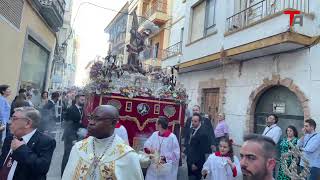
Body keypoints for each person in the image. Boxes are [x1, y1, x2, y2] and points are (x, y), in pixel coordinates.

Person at [62, 105, 144, 179]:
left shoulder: (127, 156)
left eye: (97, 119)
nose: (91, 122)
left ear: (113, 123)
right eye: (91, 117)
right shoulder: (78, 148)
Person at [0, 107, 56, 179]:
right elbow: (3, 162)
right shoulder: (9, 138)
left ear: (28, 123)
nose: (9, 122)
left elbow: (42, 168)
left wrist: (21, 149)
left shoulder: (45, 141)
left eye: (14, 119)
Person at [61, 94, 86, 176]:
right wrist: (73, 139)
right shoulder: (71, 109)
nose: (83, 101)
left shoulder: (82, 109)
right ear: (77, 99)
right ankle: (63, 175)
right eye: (82, 100)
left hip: (77, 135)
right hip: (70, 137)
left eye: (84, 100)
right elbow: (69, 125)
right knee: (67, 156)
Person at [186, 113, 209, 180]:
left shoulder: (203, 133)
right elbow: (189, 144)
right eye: (192, 121)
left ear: (200, 122)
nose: (193, 123)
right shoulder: (191, 129)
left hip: (197, 163)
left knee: (195, 178)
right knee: (190, 177)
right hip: (189, 160)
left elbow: (202, 150)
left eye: (195, 121)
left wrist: (195, 164)